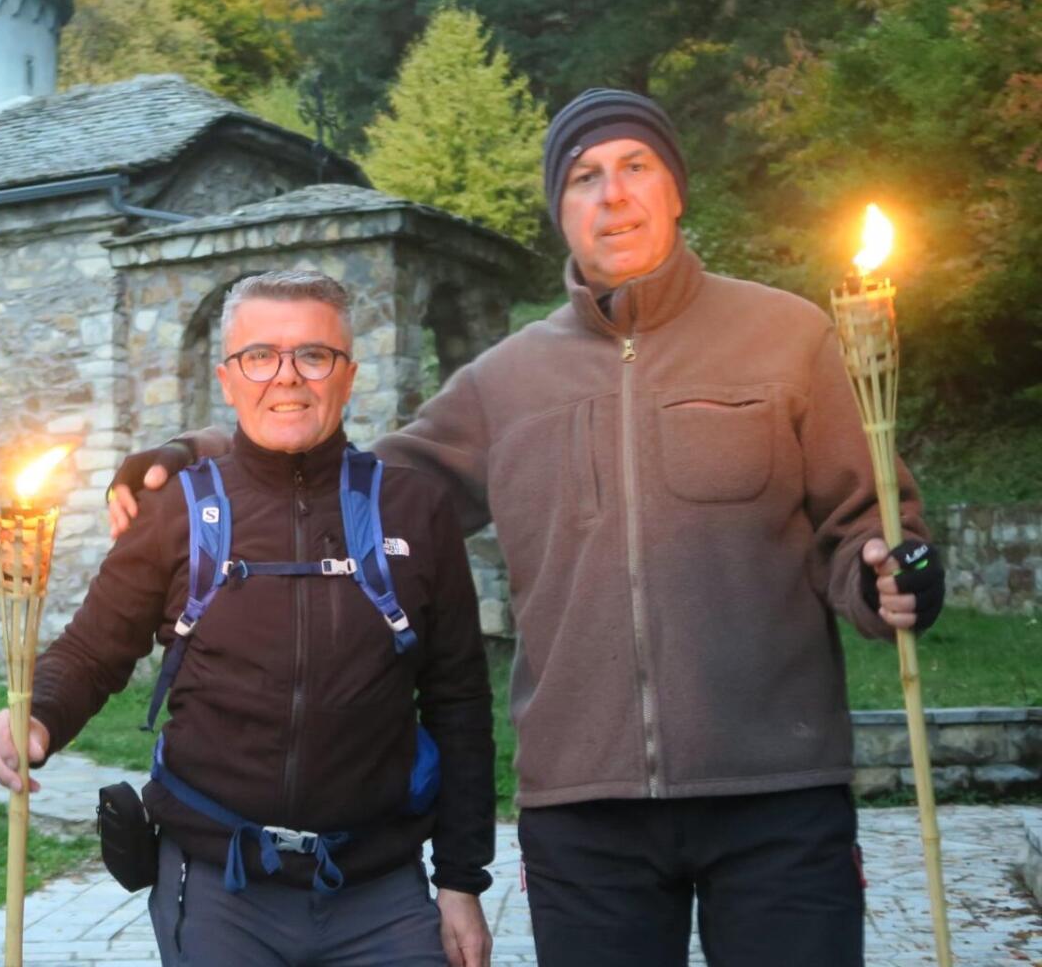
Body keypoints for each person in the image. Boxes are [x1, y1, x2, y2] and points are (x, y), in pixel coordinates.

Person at [107, 90, 947, 967]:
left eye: (635, 167)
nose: (612, 195)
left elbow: (865, 524)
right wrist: (197, 451)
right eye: (584, 178)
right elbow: (350, 474)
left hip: (778, 789)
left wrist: (888, 576)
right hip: (583, 814)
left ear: (675, 188)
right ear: (559, 210)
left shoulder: (789, 337)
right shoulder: (506, 381)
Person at [0, 271, 497, 966]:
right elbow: (93, 651)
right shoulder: (175, 510)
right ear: (227, 379)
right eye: (259, 356)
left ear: (348, 375)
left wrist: (461, 881)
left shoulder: (415, 509)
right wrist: (36, 714)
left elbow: (459, 703)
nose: (287, 376)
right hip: (218, 890)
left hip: (380, 892)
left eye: (314, 354)